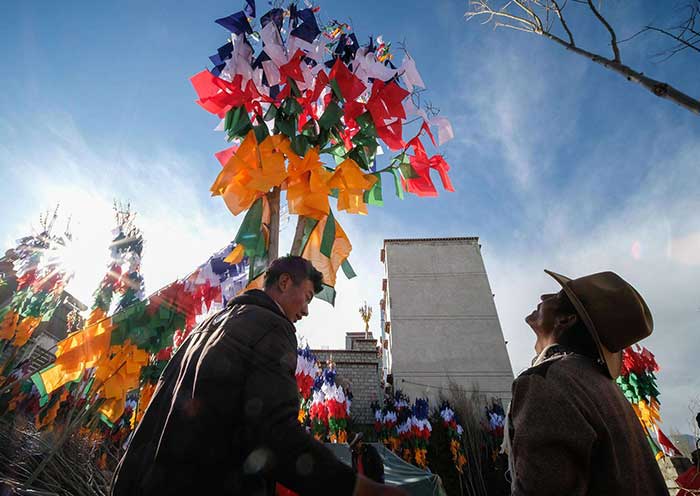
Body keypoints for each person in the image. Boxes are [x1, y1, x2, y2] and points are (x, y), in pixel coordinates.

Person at [111, 256, 405, 496]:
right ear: (284, 281)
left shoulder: (207, 327)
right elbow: (273, 432)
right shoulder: (272, 327)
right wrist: (356, 488)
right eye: (306, 298)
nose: (305, 311)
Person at [506, 269, 669, 495]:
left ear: (566, 319)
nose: (544, 297)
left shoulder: (546, 381)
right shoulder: (602, 386)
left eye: (557, 296)